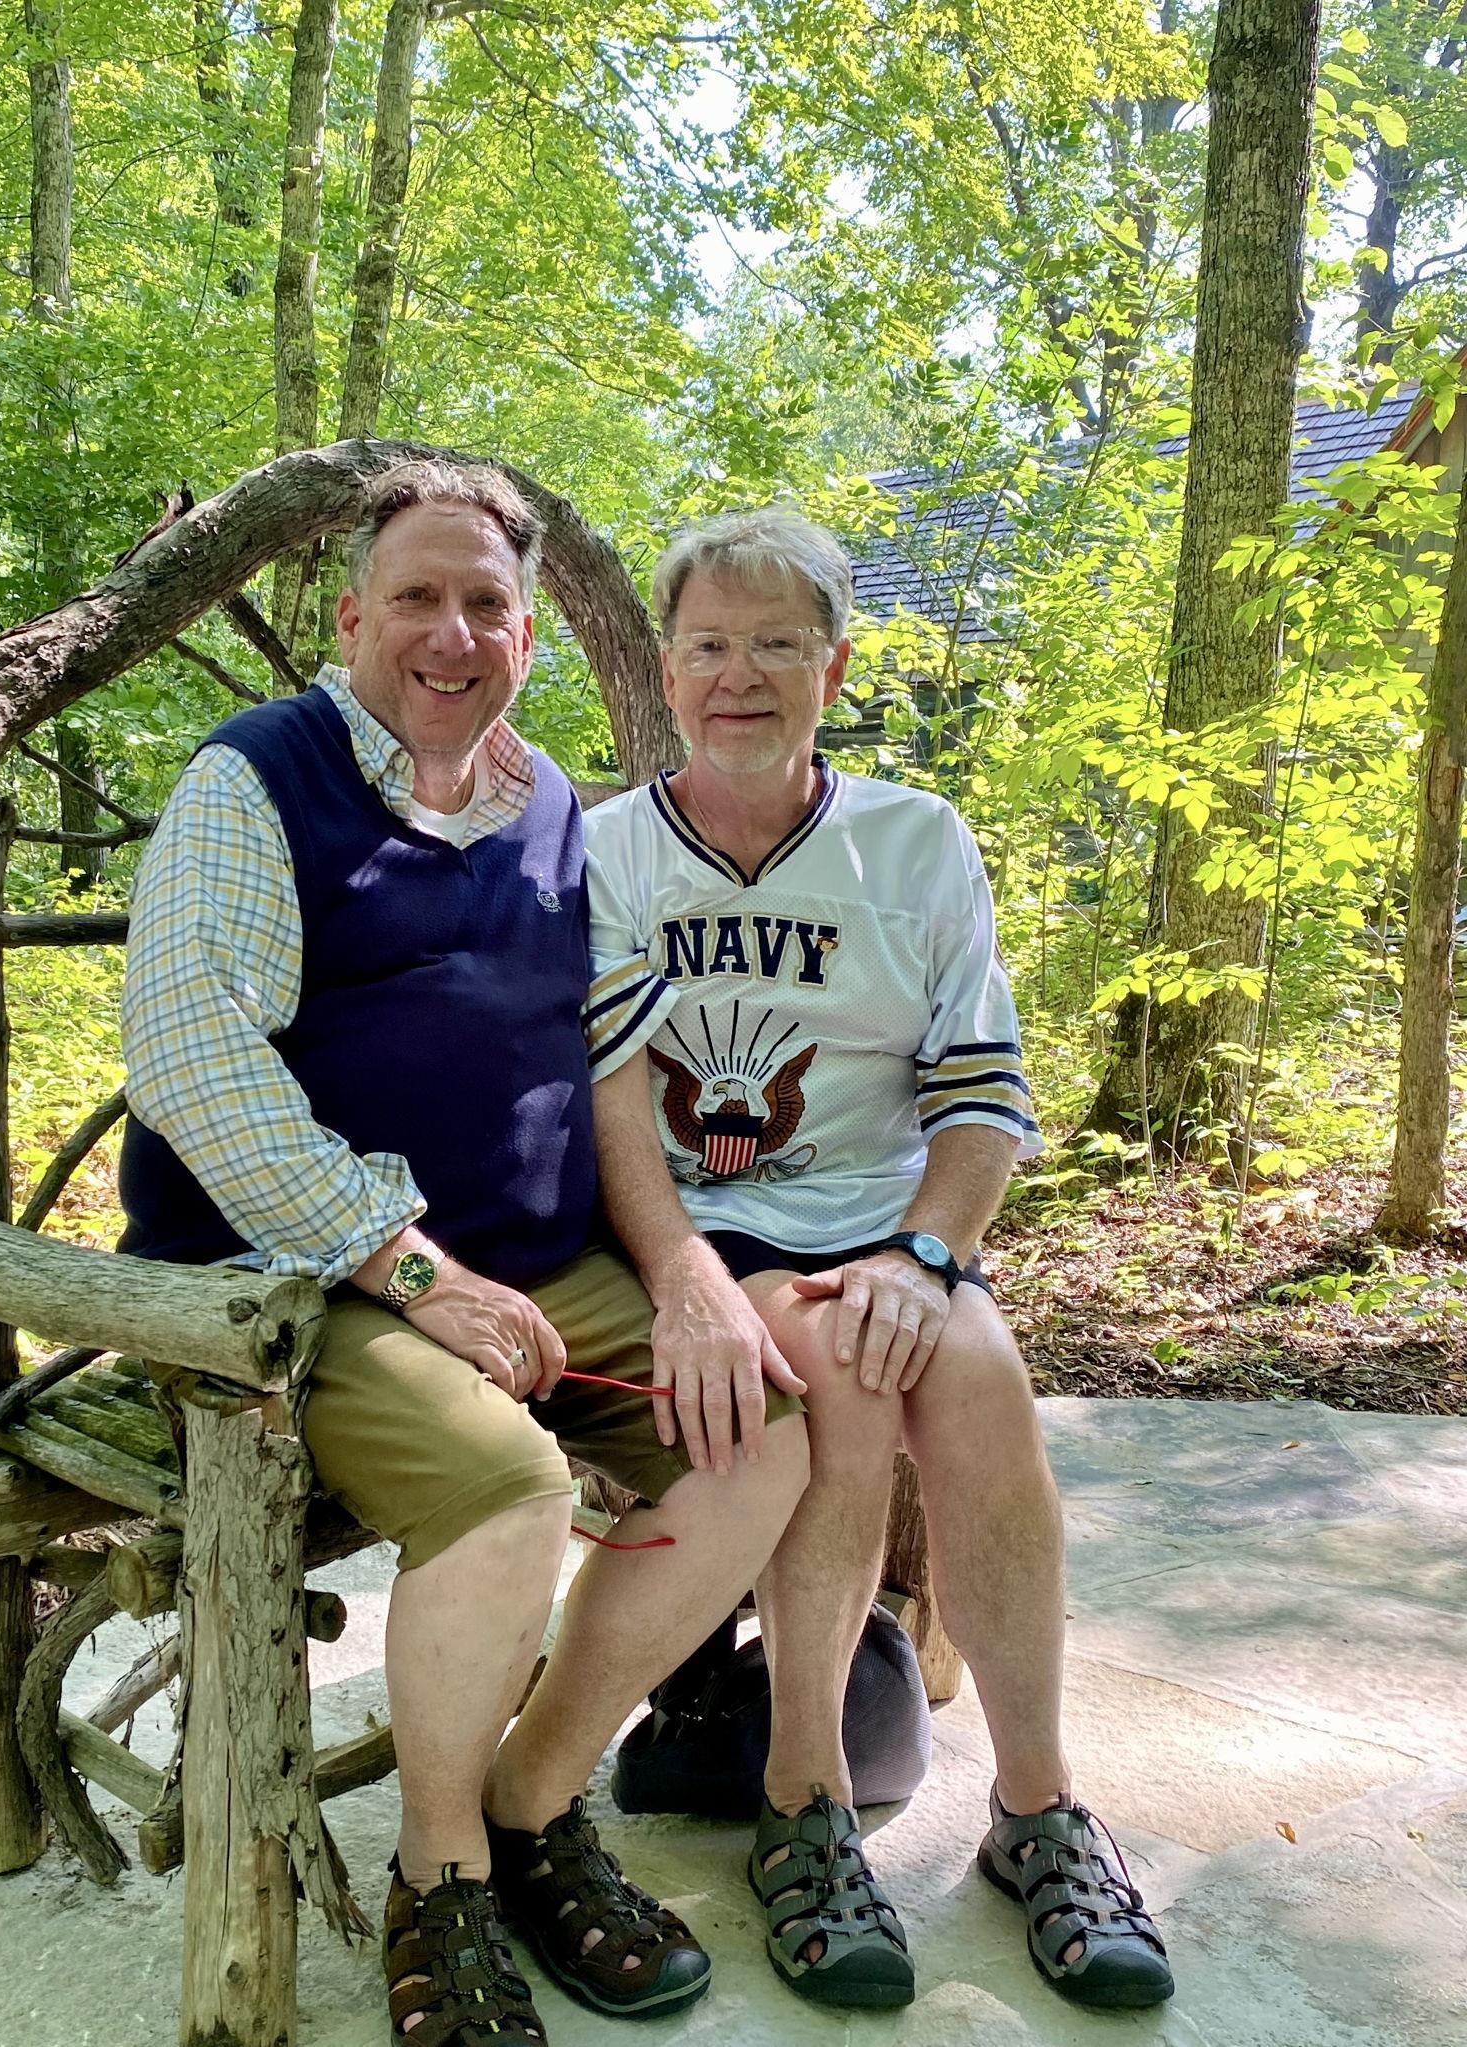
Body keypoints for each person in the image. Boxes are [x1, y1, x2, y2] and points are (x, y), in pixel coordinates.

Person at [116, 460, 810, 2047]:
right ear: (353, 618)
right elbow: (193, 1061)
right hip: (282, 1285)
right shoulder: (258, 779)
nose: (452, 632)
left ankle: (528, 1798)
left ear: (525, 636)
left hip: (528, 1262)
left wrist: (690, 1271)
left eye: (487, 604)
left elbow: (614, 1059)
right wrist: (411, 1269)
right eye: (416, 599)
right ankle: (438, 1879)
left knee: (762, 1429)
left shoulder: (554, 805)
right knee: (511, 1488)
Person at [580, 507, 1174, 2012]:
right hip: (715, 1225)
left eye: (779, 644)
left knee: (979, 1390)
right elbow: (594, 1103)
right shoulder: (601, 855)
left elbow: (985, 1093)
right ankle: (808, 1803)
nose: (741, 675)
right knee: (840, 1380)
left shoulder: (913, 843)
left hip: (879, 1211)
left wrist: (926, 1253)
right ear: (666, 667)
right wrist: (685, 1278)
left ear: (833, 668)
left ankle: (1037, 1811)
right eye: (710, 644)